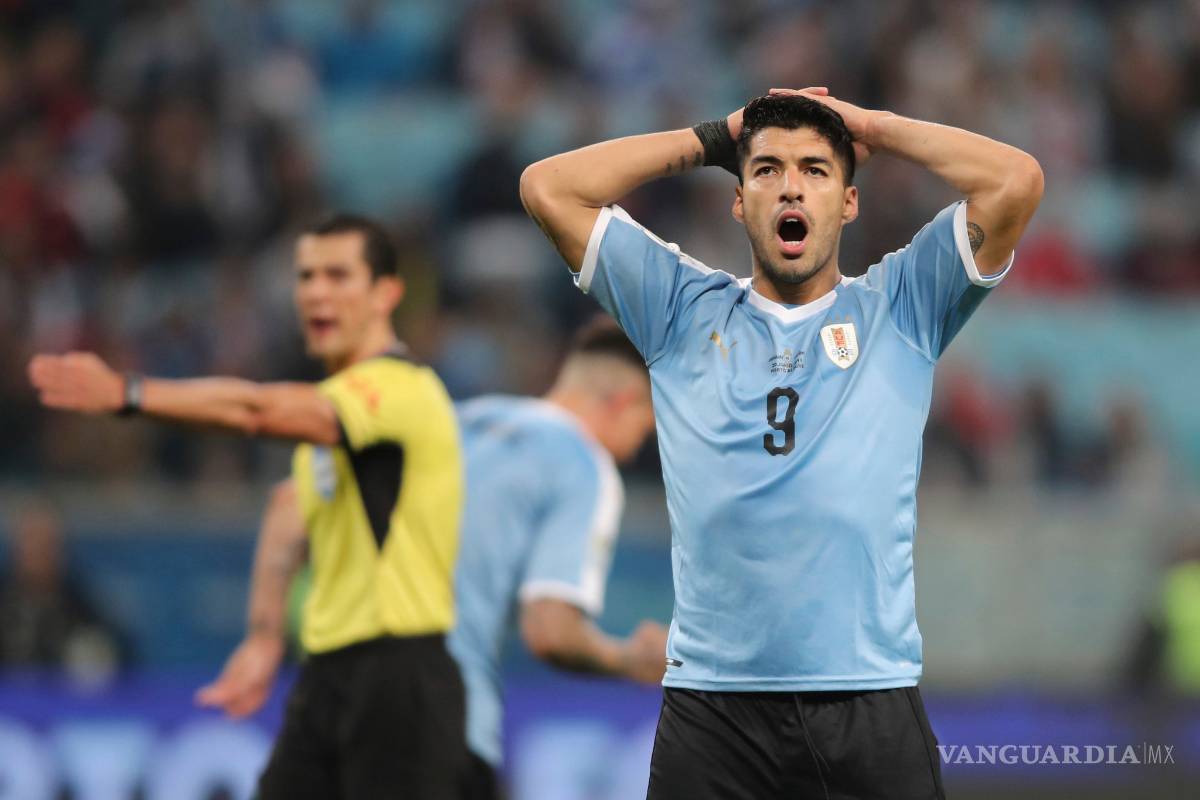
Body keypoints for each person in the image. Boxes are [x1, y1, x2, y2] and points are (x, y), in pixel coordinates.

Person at [520, 89, 1043, 798]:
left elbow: (1016, 181)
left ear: (849, 203)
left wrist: (872, 128)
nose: (790, 184)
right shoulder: (677, 307)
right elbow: (548, 188)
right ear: (739, 203)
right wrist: (716, 136)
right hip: (714, 714)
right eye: (765, 170)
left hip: (869, 704)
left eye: (816, 170)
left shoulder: (903, 304)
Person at [28, 215, 467, 799]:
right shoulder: (336, 418)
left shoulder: (400, 390)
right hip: (329, 674)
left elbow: (258, 411)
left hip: (399, 677)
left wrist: (129, 394)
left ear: (386, 292)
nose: (316, 291)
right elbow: (289, 510)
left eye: (339, 275)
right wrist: (264, 636)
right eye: (306, 276)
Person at [198, 316, 669, 800]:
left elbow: (289, 504)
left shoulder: (448, 417)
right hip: (434, 723)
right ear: (622, 402)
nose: (638, 447)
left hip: (329, 709)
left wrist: (263, 637)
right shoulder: (582, 463)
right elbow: (551, 630)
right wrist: (629, 659)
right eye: (646, 428)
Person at [0, 500, 126, 682]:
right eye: (31, 541)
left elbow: (120, 656)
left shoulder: (82, 607)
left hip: (60, 706)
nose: (38, 554)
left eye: (47, 544)